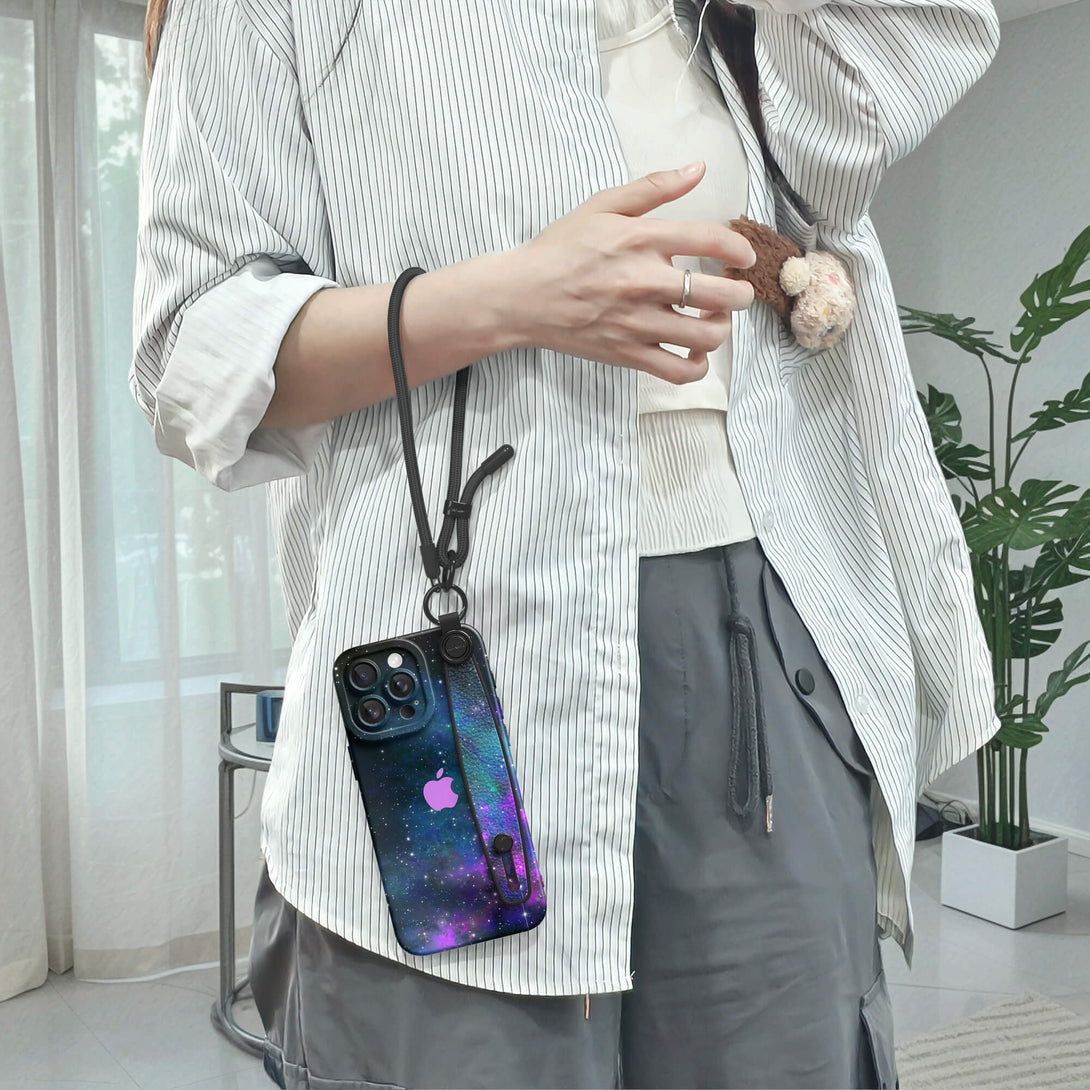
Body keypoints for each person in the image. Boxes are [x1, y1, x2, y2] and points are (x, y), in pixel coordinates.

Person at [130, 0, 1001, 1086]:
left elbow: (875, 106)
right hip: (456, 655)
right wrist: (505, 300)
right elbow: (189, 351)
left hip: (767, 641)